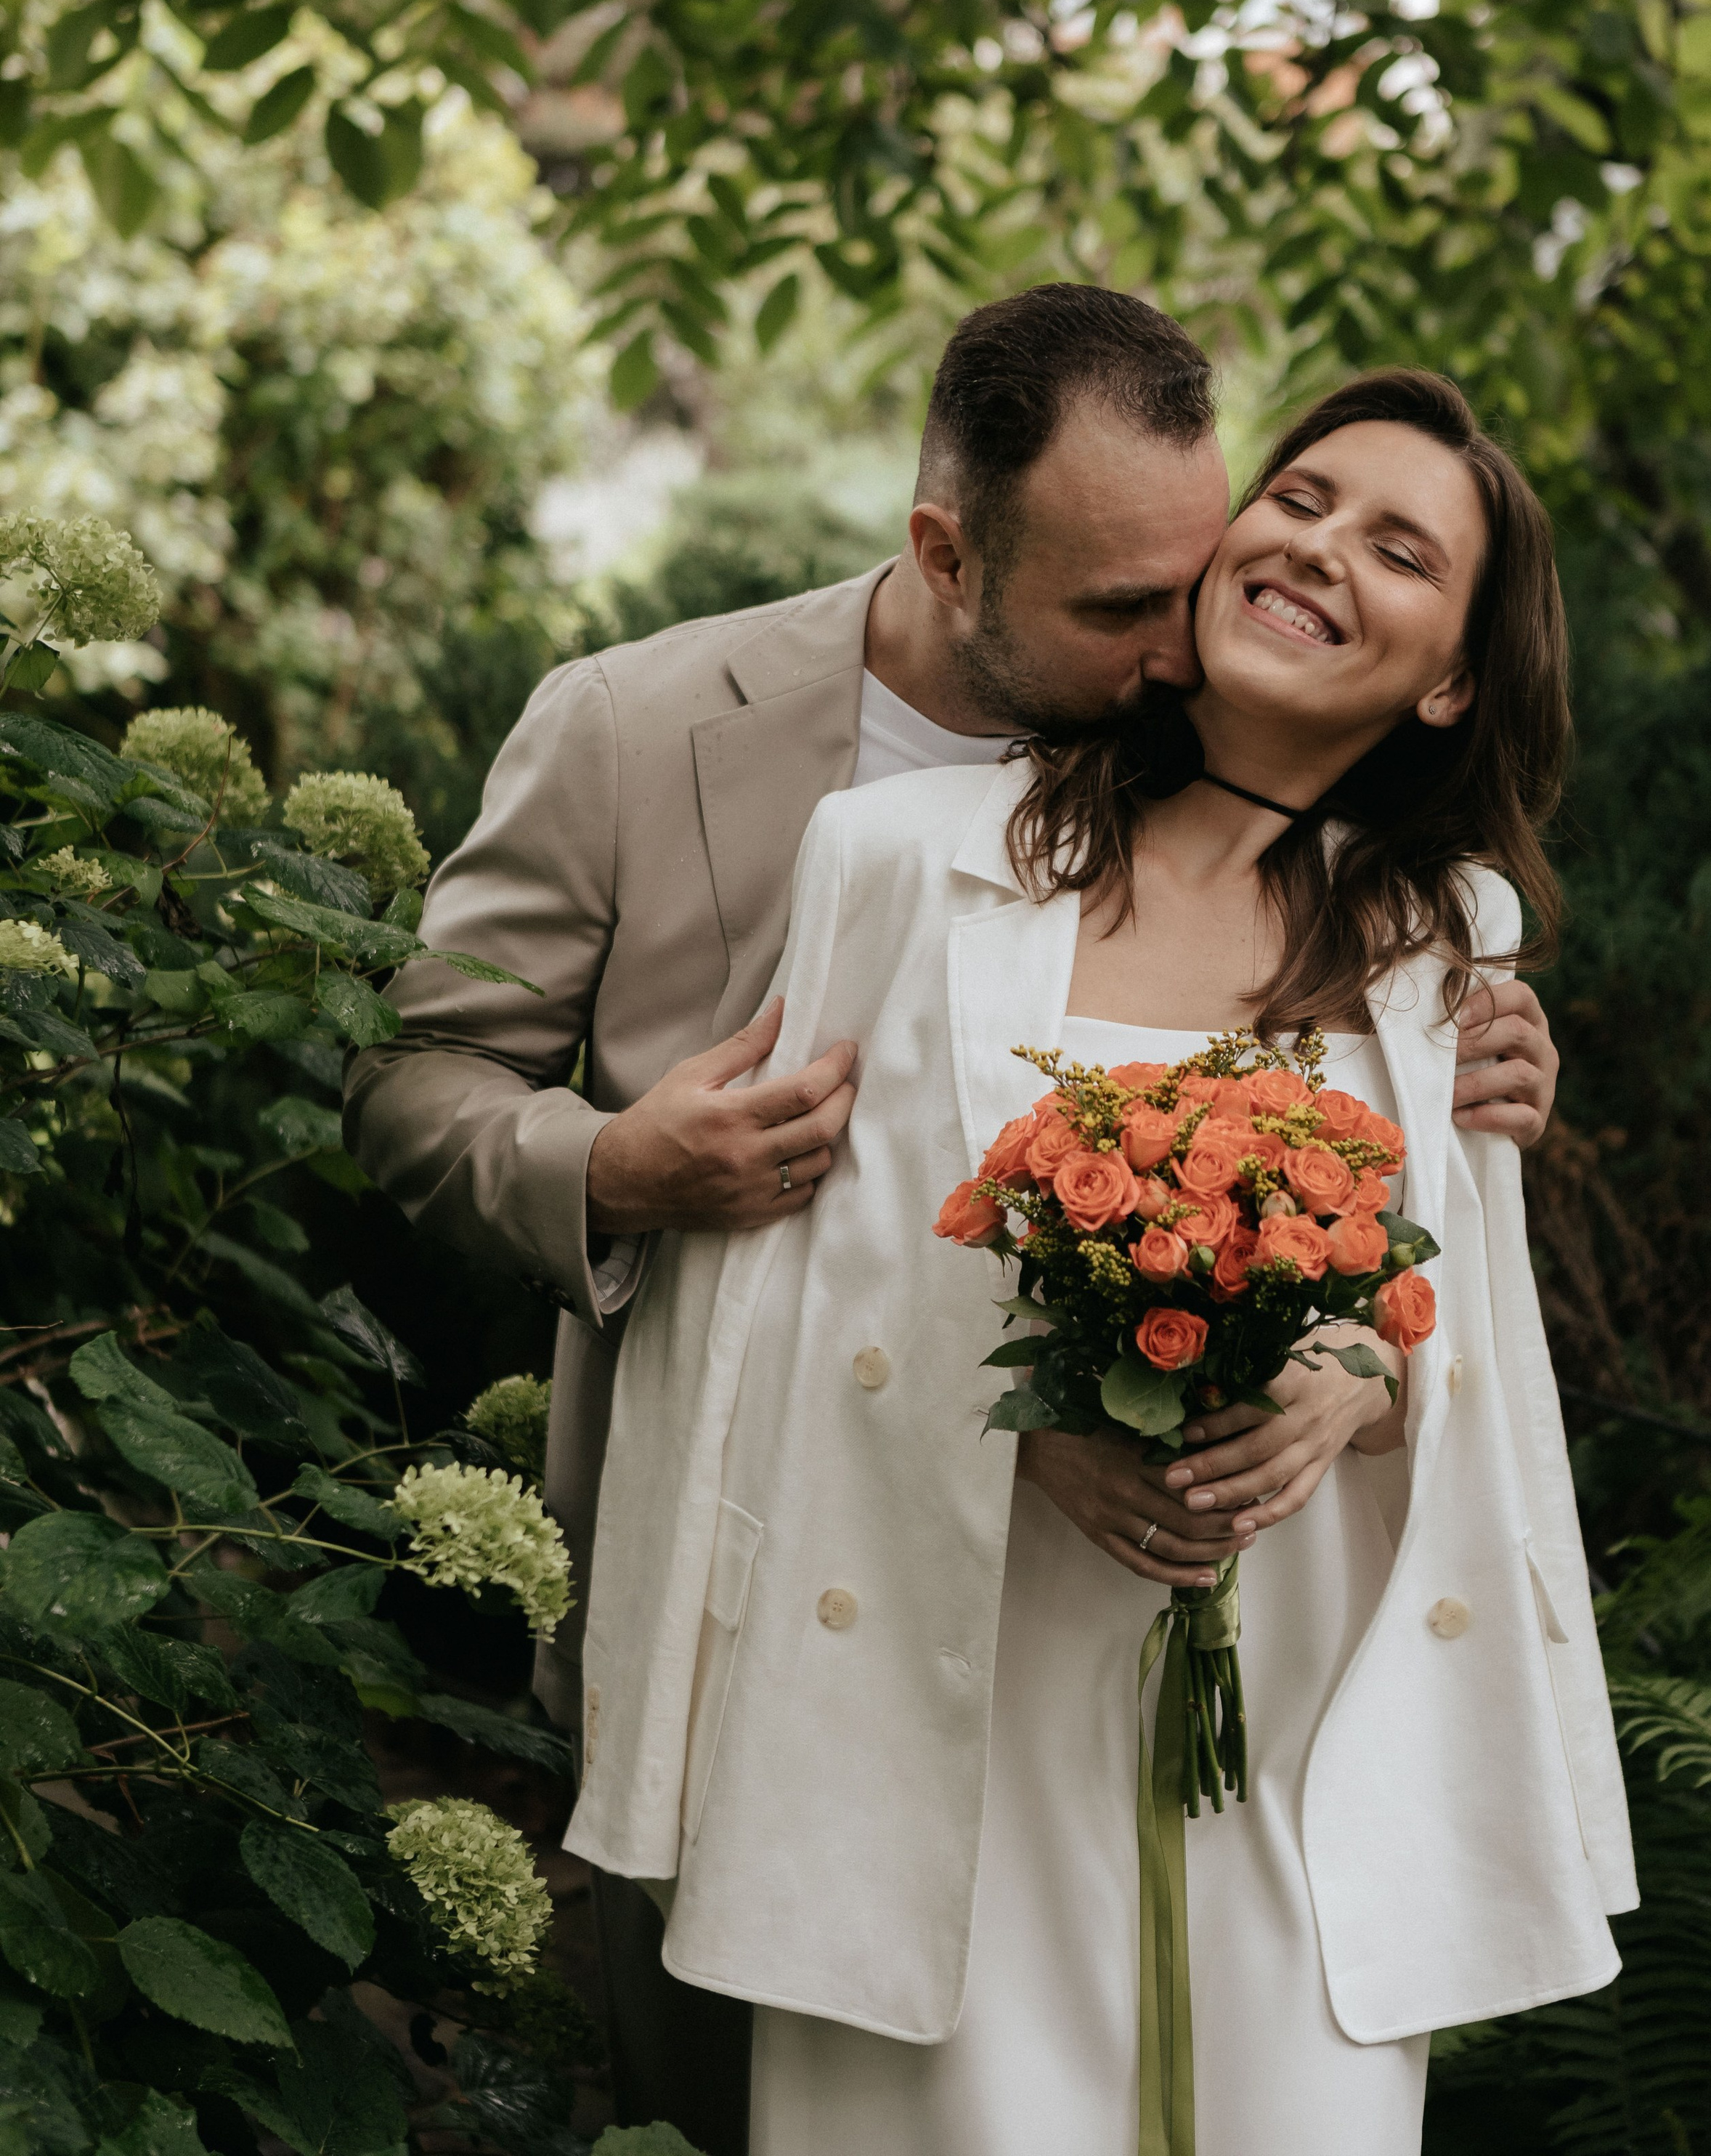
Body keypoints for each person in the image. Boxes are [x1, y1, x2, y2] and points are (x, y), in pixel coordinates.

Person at [346, 291, 1566, 2153]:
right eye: (1121, 608)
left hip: (1278, 1696)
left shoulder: (1429, 942)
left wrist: (1348, 1364)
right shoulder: (774, 796)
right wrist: (618, 1168)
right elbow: (499, 1117)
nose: (1183, 631)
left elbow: (1454, 1315)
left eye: (1371, 548)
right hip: (854, 1619)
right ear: (947, 553)